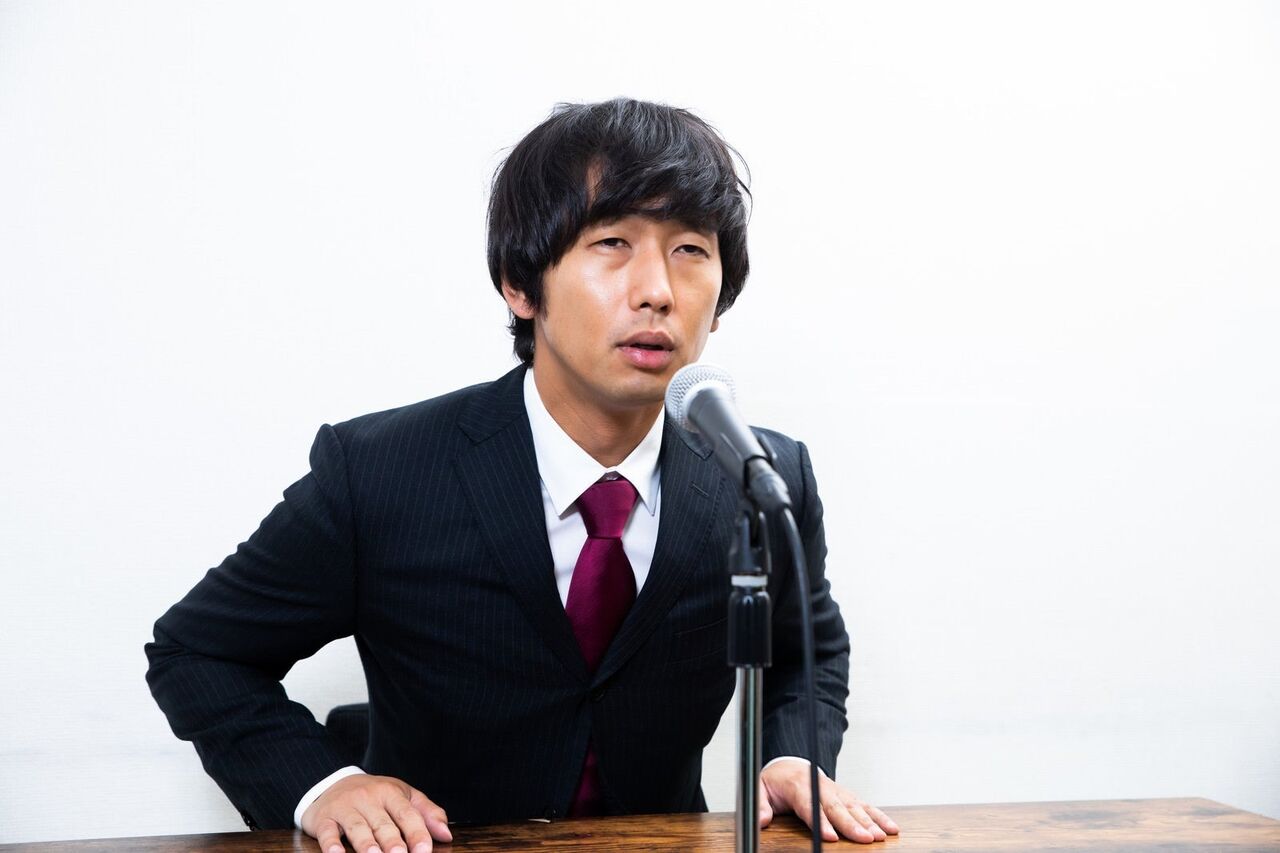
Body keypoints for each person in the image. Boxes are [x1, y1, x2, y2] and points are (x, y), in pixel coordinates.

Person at [145, 98, 899, 852]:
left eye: (690, 250)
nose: (658, 291)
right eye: (613, 242)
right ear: (520, 282)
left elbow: (805, 652)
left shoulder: (763, 477)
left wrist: (790, 753)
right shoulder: (379, 471)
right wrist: (322, 785)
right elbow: (198, 650)